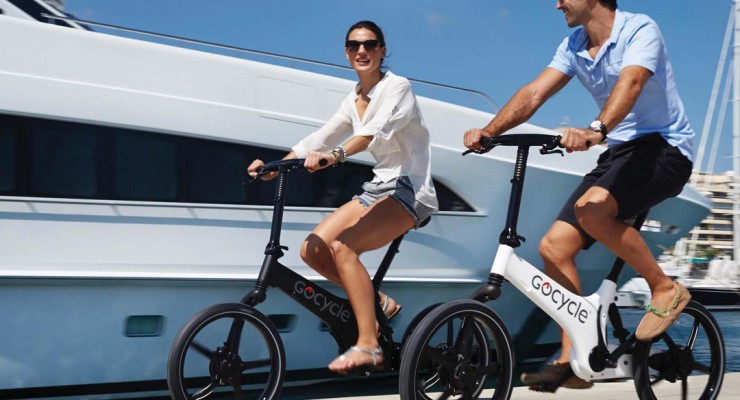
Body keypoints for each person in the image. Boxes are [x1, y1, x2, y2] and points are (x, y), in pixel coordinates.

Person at [463, 0, 693, 391]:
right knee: (554, 247)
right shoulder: (573, 45)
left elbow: (632, 82)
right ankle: (574, 357)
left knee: (591, 211)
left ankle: (664, 287)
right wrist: (490, 130)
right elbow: (534, 93)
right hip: (619, 153)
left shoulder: (639, 29)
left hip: (665, 149)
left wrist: (596, 130)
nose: (557, 4)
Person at [248, 20, 437, 374]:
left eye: (370, 44)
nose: (361, 51)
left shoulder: (397, 87)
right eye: (353, 45)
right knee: (313, 250)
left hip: (409, 189)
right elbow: (321, 137)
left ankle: (369, 345)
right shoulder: (353, 98)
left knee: (344, 248)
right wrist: (275, 167)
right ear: (347, 52)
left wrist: (334, 157)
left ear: (382, 50)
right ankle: (377, 302)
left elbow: (371, 134)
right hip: (378, 187)